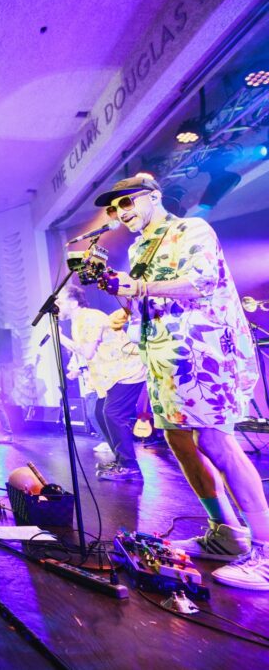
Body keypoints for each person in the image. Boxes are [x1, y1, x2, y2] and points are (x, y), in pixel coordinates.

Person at [96, 174, 267, 588]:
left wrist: (139, 285)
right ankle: (226, 534)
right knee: (178, 440)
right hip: (163, 359)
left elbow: (201, 282)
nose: (120, 213)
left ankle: (265, 551)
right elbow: (145, 300)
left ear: (154, 196)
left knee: (215, 441)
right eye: (114, 208)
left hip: (200, 352)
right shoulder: (139, 248)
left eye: (127, 202)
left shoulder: (191, 228)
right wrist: (125, 304)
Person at [57, 284, 148, 480]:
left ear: (73, 303)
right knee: (99, 412)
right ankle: (121, 460)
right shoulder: (78, 321)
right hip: (113, 375)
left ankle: (130, 466)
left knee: (112, 413)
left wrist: (61, 338)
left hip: (127, 371)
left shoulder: (89, 318)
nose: (57, 306)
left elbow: (87, 352)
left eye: (60, 302)